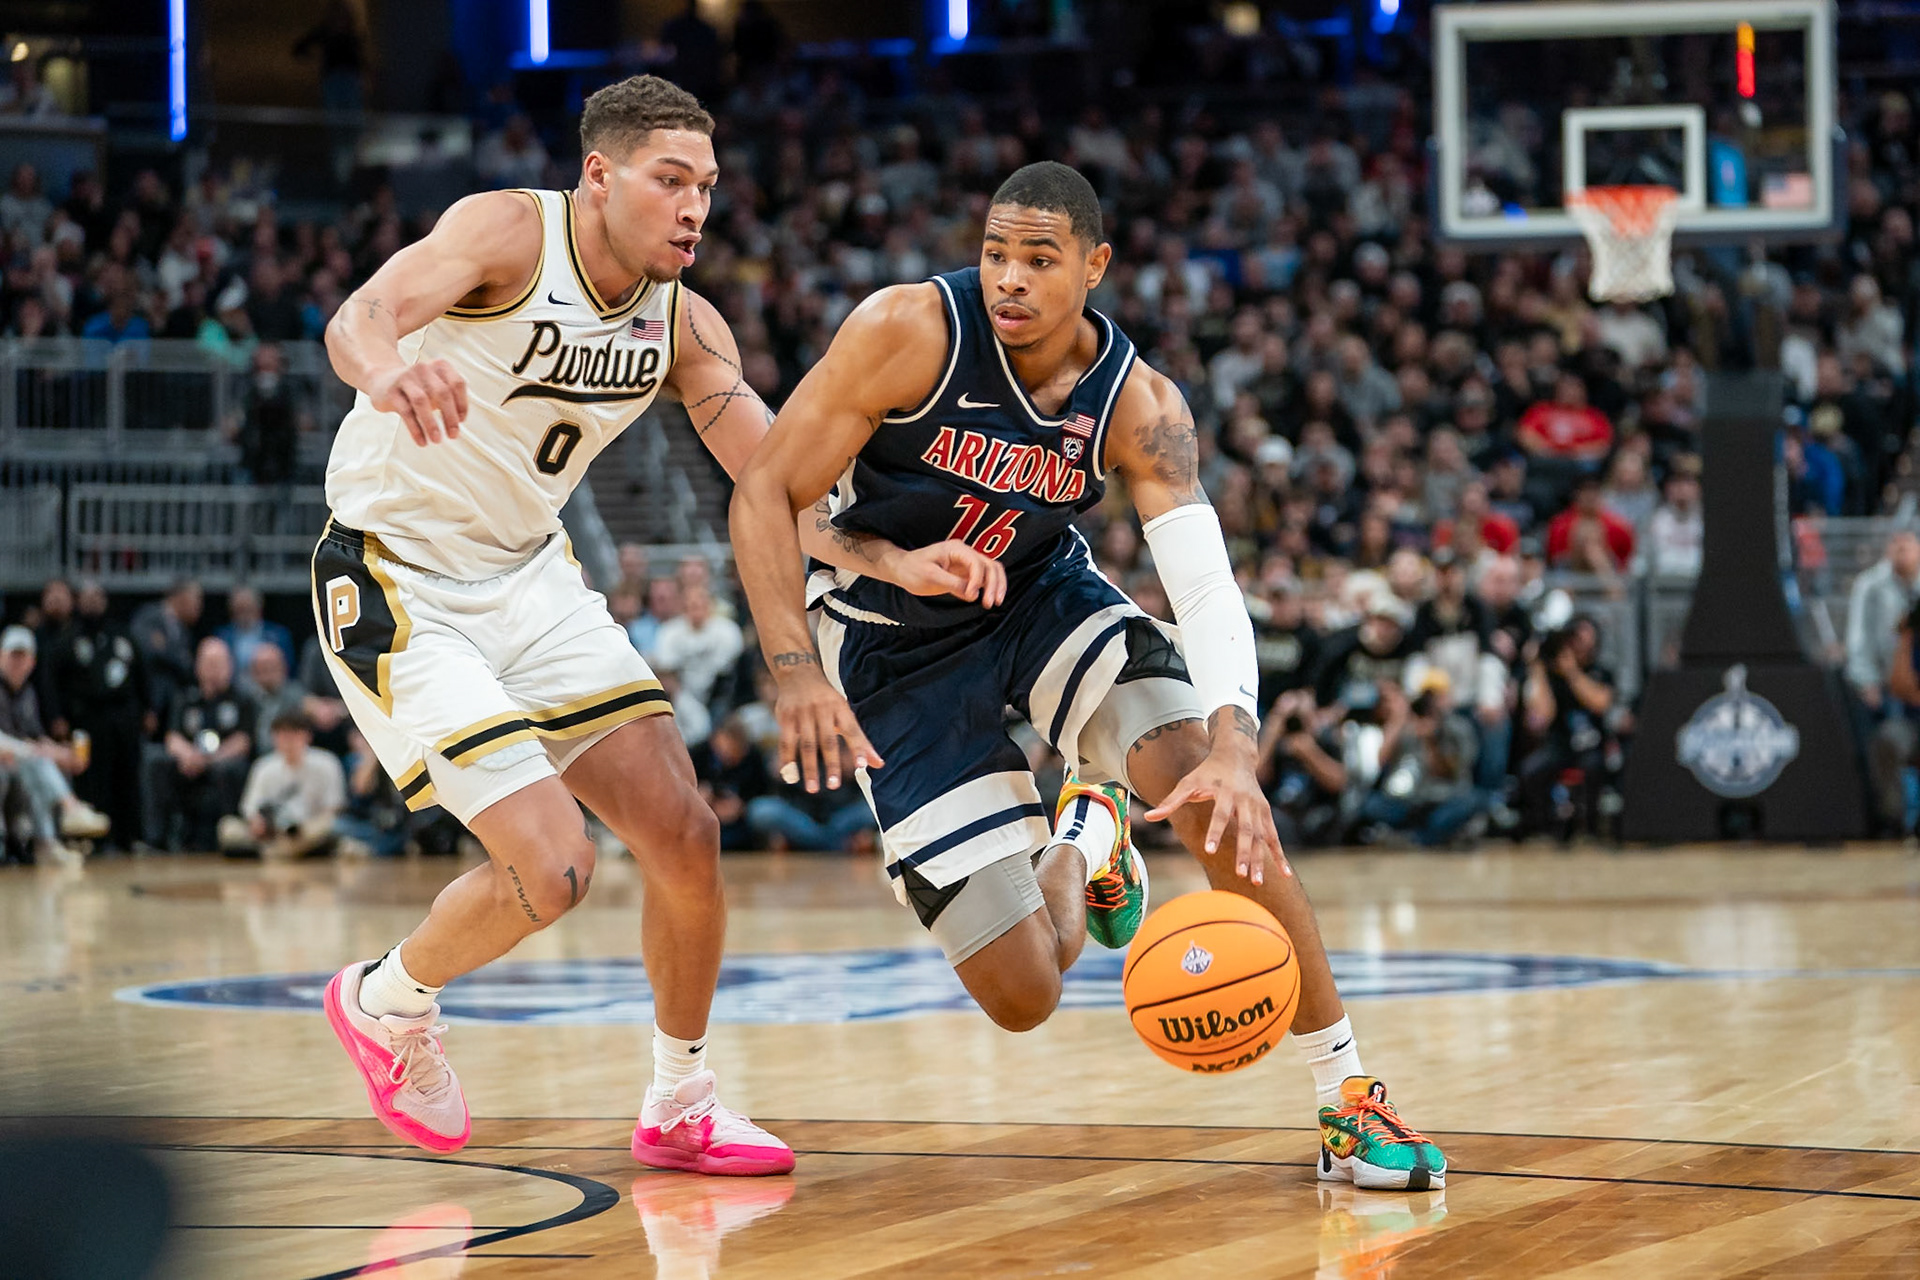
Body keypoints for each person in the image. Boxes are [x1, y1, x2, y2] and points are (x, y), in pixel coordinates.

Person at [313, 75, 997, 1169]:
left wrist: (892, 556)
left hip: (531, 576)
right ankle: (387, 1000)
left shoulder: (685, 326)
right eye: (670, 180)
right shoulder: (507, 230)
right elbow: (359, 315)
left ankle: (681, 1099)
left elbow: (775, 486)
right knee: (555, 865)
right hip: (401, 574)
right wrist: (392, 370)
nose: (694, 208)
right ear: (599, 174)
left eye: (707, 187)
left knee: (686, 832)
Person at [731, 161, 1445, 1190]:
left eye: (1039, 258)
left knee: (1211, 788)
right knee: (1024, 989)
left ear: (1096, 266)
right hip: (891, 639)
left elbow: (1203, 591)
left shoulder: (1138, 402)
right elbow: (768, 490)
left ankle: (1348, 1095)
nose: (1009, 279)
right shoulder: (907, 331)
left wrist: (1239, 747)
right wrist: (798, 664)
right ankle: (1086, 830)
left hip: (1040, 595)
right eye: (994, 254)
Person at [0, 626, 110, 864]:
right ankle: (71, 809)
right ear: (1, 656)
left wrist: (63, 753)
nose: (17, 663)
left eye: (23, 657)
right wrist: (35, 751)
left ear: (32, 661)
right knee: (35, 759)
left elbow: (36, 736)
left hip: (16, 765)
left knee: (39, 764)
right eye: (12, 656)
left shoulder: (27, 693)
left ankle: (46, 844)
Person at [55, 582, 150, 851]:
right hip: (88, 718)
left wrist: (148, 707)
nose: (92, 603)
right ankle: (97, 838)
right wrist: (58, 717)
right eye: (87, 598)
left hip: (124, 717)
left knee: (127, 775)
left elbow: (141, 671)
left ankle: (130, 837)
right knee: (94, 777)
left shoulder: (121, 635)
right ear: (78, 602)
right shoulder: (69, 639)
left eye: (97, 597)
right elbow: (56, 682)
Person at [143, 637, 257, 851]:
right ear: (198, 666)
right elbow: (172, 737)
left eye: (219, 664)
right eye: (208, 663)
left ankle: (229, 839)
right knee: (155, 760)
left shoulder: (242, 698)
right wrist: (188, 756)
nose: (213, 670)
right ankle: (155, 839)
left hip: (221, 764)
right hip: (189, 764)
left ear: (230, 666)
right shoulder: (185, 698)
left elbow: (243, 741)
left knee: (230, 769)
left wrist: (209, 760)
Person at [1845, 529, 1920, 834]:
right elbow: (1858, 640)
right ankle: (1897, 820)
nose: (1900, 551)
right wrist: (1868, 681)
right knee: (1890, 744)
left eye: (1907, 546)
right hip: (1894, 693)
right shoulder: (1872, 586)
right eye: (1895, 545)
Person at [220, 710, 349, 859]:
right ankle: (285, 851)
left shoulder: (327, 763)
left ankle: (274, 852)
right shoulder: (263, 766)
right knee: (227, 827)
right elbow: (250, 808)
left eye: (293, 735)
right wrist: (258, 823)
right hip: (273, 833)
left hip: (306, 830)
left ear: (307, 736)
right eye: (281, 736)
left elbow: (334, 808)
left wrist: (305, 825)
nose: (287, 741)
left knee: (329, 826)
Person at [218, 585, 297, 677]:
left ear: (259, 608)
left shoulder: (279, 635)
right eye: (240, 610)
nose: (244, 615)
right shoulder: (222, 636)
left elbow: (289, 668)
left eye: (248, 609)